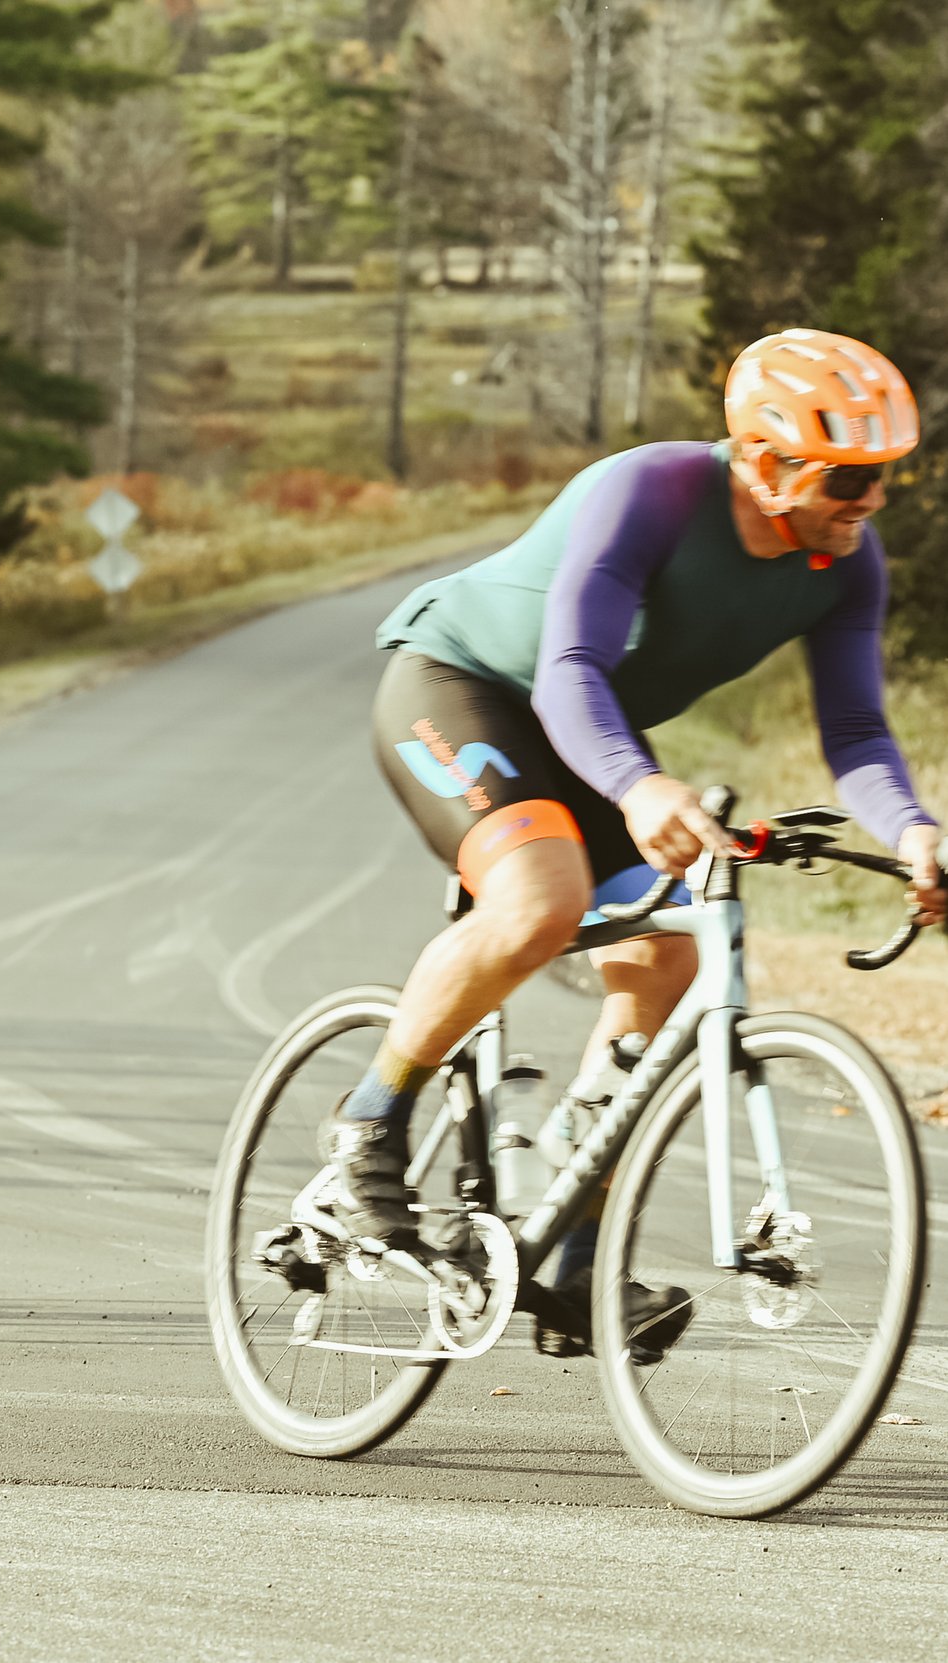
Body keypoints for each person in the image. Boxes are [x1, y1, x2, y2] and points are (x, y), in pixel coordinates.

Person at [342, 328, 945, 1356]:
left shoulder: (844, 562)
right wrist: (638, 785)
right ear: (765, 460)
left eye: (885, 473)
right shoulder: (652, 491)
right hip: (461, 684)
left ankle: (575, 1258)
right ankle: (368, 1128)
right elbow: (568, 666)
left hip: (588, 730)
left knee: (665, 948)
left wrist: (916, 829)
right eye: (849, 476)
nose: (871, 498)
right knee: (540, 899)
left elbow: (852, 732)